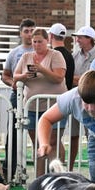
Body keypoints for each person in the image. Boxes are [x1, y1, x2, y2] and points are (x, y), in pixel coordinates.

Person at [13, 28, 67, 177]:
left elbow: (58, 77)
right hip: (32, 106)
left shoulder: (56, 55)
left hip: (54, 106)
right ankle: (40, 177)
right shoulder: (26, 57)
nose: (37, 45)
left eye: (40, 42)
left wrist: (42, 69)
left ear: (47, 41)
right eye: (34, 42)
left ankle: (58, 175)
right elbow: (15, 76)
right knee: (38, 143)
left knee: (53, 140)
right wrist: (25, 75)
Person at [1, 18, 36, 181]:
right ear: (21, 33)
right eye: (26, 31)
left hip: (36, 96)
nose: (29, 34)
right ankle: (9, 170)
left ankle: (40, 171)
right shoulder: (14, 53)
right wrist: (14, 84)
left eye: (32, 31)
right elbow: (5, 75)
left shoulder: (41, 51)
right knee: (13, 133)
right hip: (18, 96)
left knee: (37, 132)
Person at [48, 23, 79, 170]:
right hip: (63, 99)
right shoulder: (69, 55)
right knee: (55, 139)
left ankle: (58, 172)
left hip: (57, 101)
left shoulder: (56, 55)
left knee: (53, 140)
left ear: (51, 36)